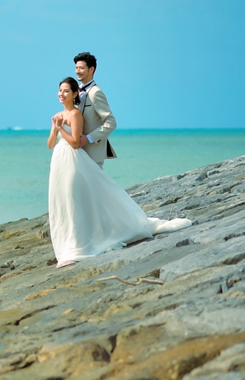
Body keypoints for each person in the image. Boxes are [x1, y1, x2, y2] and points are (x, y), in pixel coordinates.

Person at [48, 77, 191, 268]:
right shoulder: (58, 114)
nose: (61, 94)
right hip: (58, 161)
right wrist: (54, 128)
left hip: (73, 160)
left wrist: (60, 129)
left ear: (74, 94)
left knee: (74, 199)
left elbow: (74, 142)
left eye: (66, 91)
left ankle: (78, 244)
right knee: (62, 201)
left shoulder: (75, 115)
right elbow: (50, 144)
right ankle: (67, 242)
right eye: (60, 91)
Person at [73, 52, 116, 167]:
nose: (77, 71)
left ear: (91, 69)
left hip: (93, 153)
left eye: (81, 68)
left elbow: (111, 123)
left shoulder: (95, 92)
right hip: (79, 151)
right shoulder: (76, 91)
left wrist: (88, 138)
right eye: (76, 68)